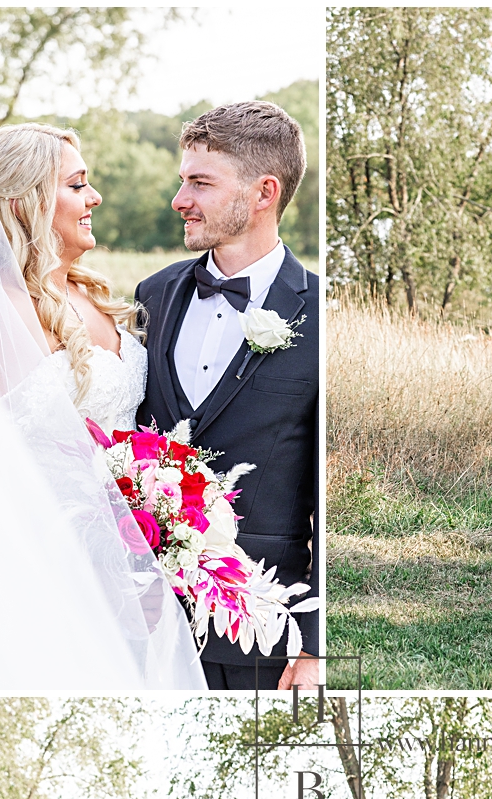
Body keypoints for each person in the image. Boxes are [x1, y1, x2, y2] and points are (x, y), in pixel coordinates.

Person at [0, 128, 205, 689]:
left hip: (120, 562)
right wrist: (113, 562)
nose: (94, 196)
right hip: (45, 574)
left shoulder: (90, 294)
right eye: (77, 184)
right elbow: (25, 469)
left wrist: (154, 537)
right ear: (27, 203)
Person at [135, 102, 321, 690]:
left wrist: (316, 646)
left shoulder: (320, 312)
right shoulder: (154, 295)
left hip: (262, 628)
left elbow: (325, 496)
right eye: (182, 180)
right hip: (146, 621)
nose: (179, 199)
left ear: (263, 192)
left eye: (200, 182)